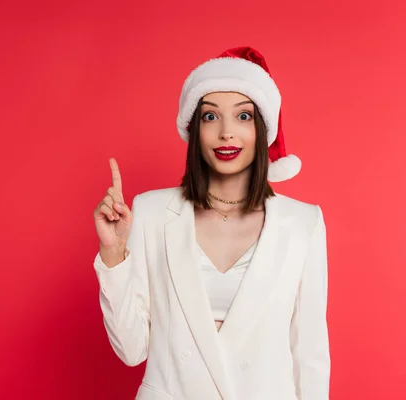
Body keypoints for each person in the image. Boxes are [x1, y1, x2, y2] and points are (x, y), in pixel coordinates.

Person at [92, 46, 330, 400]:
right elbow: (131, 349)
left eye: (243, 117)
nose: (226, 133)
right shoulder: (152, 213)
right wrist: (114, 256)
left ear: (262, 129)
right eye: (210, 117)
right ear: (194, 129)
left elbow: (309, 358)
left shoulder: (302, 223)